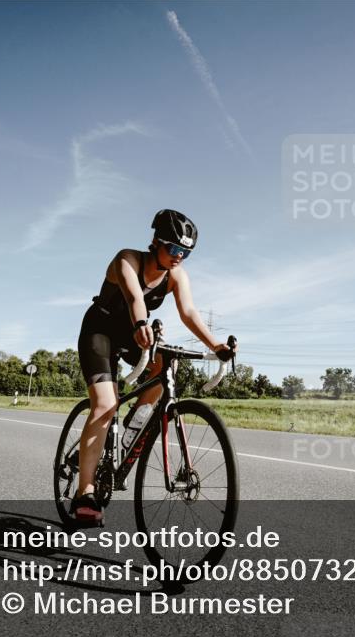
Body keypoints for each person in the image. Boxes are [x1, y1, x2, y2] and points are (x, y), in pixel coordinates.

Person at [73, 209, 236, 526]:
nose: (179, 257)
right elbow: (135, 297)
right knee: (105, 405)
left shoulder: (176, 275)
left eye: (186, 252)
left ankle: (131, 429)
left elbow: (189, 312)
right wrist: (141, 323)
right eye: (174, 248)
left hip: (138, 333)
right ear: (155, 242)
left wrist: (216, 346)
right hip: (100, 331)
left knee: (166, 369)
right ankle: (85, 493)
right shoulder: (128, 259)